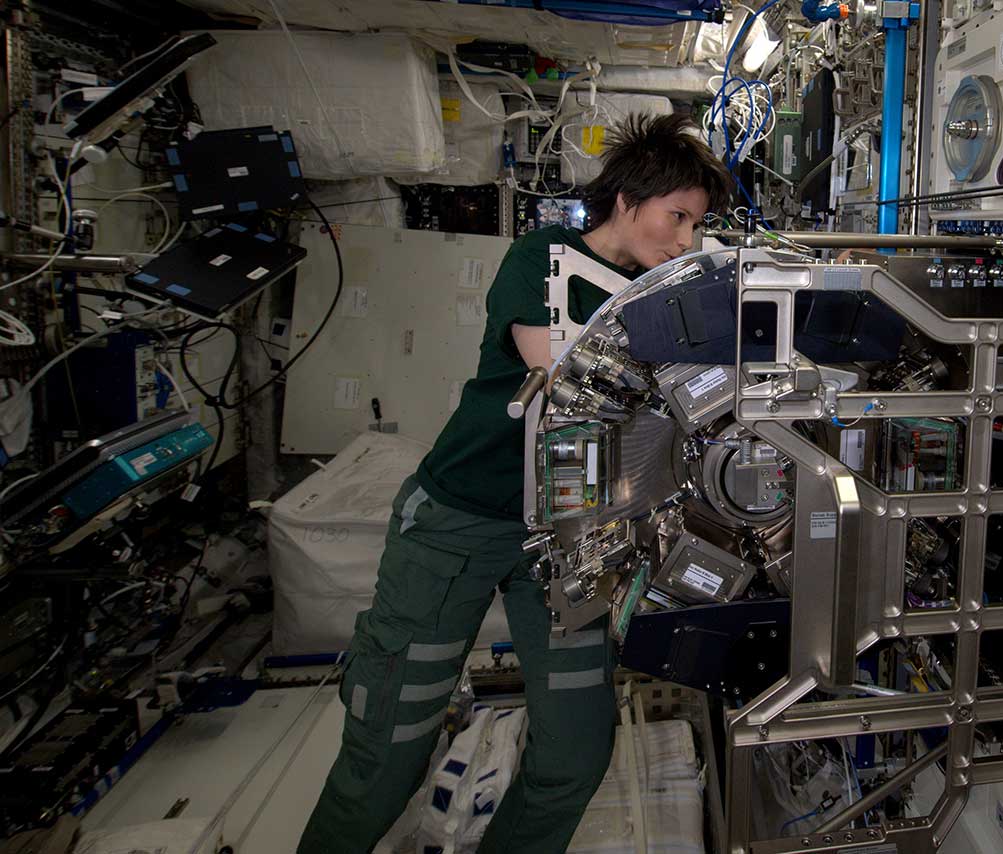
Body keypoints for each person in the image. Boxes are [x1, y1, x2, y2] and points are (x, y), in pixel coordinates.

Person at [299, 112, 732, 854]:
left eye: (697, 225)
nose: (687, 237)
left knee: (574, 754)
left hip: (567, 534)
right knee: (389, 750)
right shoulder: (544, 259)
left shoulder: (667, 288)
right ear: (629, 199)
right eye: (679, 216)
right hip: (458, 522)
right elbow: (566, 375)